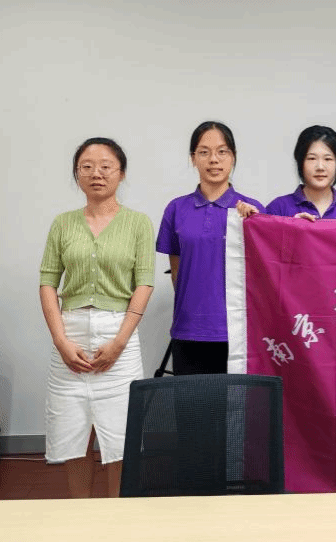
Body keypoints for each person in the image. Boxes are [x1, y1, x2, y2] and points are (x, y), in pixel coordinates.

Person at [40, 137, 154, 497]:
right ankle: (81, 516)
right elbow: (47, 283)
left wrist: (119, 342)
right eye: (86, 167)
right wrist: (60, 341)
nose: (96, 174)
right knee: (74, 437)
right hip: (70, 335)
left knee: (119, 440)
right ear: (77, 174)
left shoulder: (138, 223)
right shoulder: (63, 223)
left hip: (118, 334)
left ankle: (115, 518)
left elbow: (144, 284)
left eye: (106, 166)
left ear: (121, 173)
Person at [156, 121, 265, 375]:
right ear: (193, 158)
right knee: (191, 401)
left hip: (238, 333)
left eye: (222, 152)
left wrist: (257, 224)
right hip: (188, 331)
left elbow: (263, 275)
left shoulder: (251, 210)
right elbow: (177, 272)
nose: (214, 160)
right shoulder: (176, 209)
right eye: (204, 152)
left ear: (233, 157)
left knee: (236, 401)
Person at [237, 125, 336, 222]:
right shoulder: (279, 208)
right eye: (312, 158)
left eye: (328, 159)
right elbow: (264, 247)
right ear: (300, 162)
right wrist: (250, 216)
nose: (320, 167)